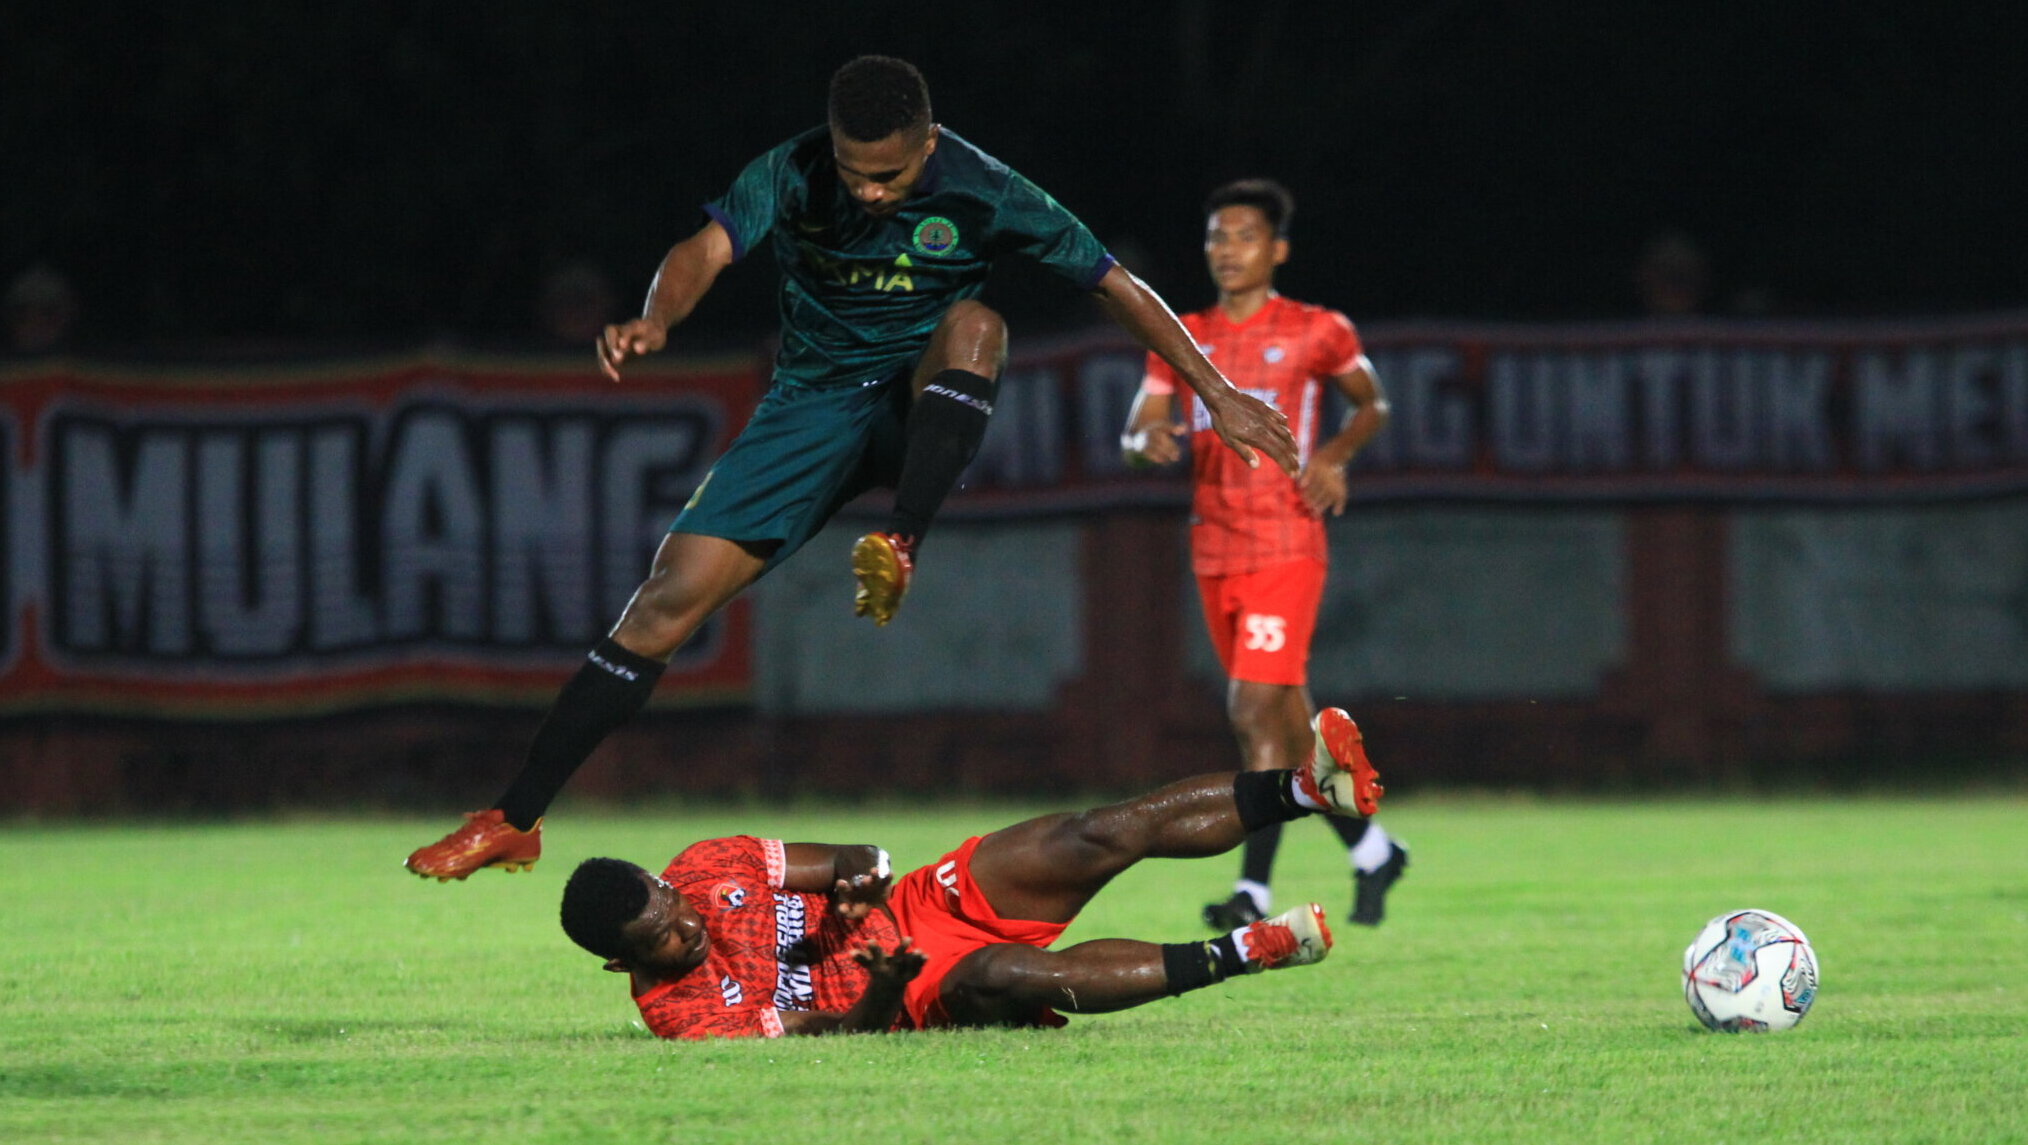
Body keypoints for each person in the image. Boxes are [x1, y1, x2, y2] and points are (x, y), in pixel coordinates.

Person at [406, 56, 1299, 881]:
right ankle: (515, 818)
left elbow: (1115, 285)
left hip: (919, 400)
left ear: (929, 143)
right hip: (809, 410)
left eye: (891, 174)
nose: (869, 190)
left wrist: (1215, 391)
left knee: (977, 325)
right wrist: (657, 318)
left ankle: (901, 540)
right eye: (854, 169)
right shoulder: (792, 170)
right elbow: (704, 250)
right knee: (659, 608)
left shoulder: (988, 188)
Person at [559, 707, 1383, 1037]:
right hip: (913, 993)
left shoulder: (705, 865)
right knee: (1009, 973)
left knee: (1095, 831)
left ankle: (1309, 788)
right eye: (662, 936)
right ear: (621, 962)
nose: (687, 922)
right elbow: (838, 1039)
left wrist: (861, 880)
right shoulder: (682, 1013)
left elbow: (854, 857)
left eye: (671, 901)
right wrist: (884, 985)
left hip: (927, 901)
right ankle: (1251, 949)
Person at [1120, 178, 1408, 930]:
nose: (1228, 250)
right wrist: (1146, 443)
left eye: (1245, 236)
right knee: (1289, 722)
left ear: (1277, 249)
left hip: (1286, 543)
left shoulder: (1317, 329)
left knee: (1250, 711)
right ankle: (1373, 850)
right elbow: (1138, 426)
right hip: (1213, 547)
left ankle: (1252, 890)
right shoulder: (1182, 335)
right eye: (1217, 236)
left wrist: (1335, 455)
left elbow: (1372, 402)